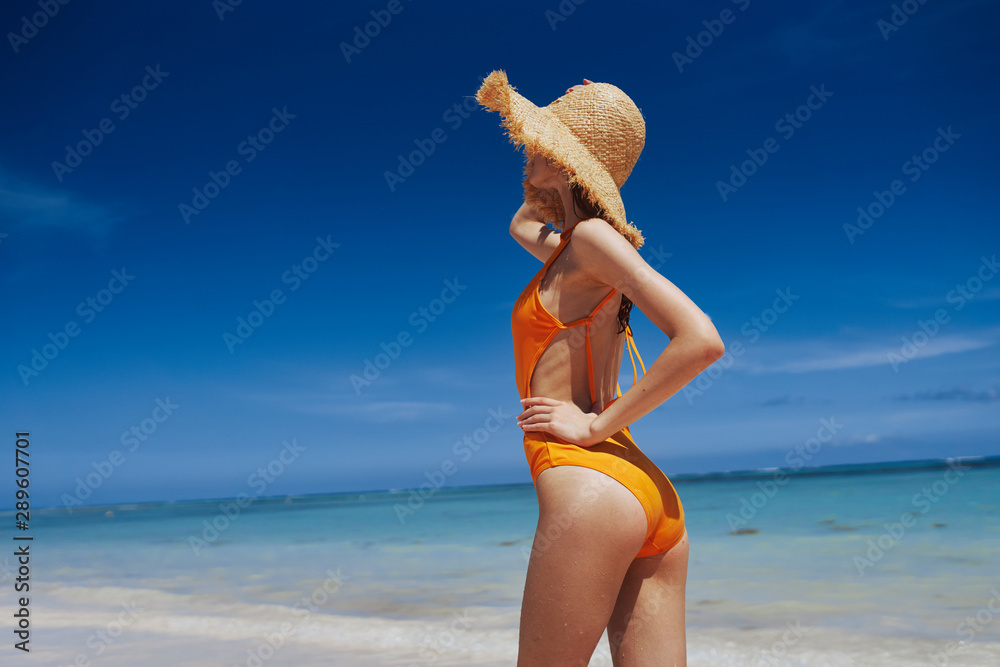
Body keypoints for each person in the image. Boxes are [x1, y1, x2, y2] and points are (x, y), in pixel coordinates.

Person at [476, 70, 725, 666]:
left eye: (541, 142)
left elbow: (701, 339)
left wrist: (591, 427)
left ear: (566, 160)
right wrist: (559, 179)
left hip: (586, 475)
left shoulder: (590, 240)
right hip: (642, 487)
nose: (527, 148)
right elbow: (520, 224)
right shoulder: (575, 253)